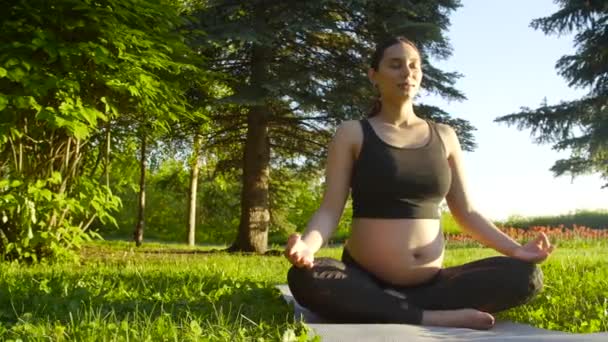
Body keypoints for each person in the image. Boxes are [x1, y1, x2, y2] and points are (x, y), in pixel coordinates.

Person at [284, 36, 554, 330]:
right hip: (364, 278)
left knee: (525, 277)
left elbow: (468, 212)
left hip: (432, 286)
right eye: (395, 65)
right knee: (304, 277)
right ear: (373, 74)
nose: (407, 72)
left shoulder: (445, 136)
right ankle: (428, 317)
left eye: (414, 66)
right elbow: (329, 209)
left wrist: (517, 251)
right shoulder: (352, 134)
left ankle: (391, 308)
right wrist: (309, 247)